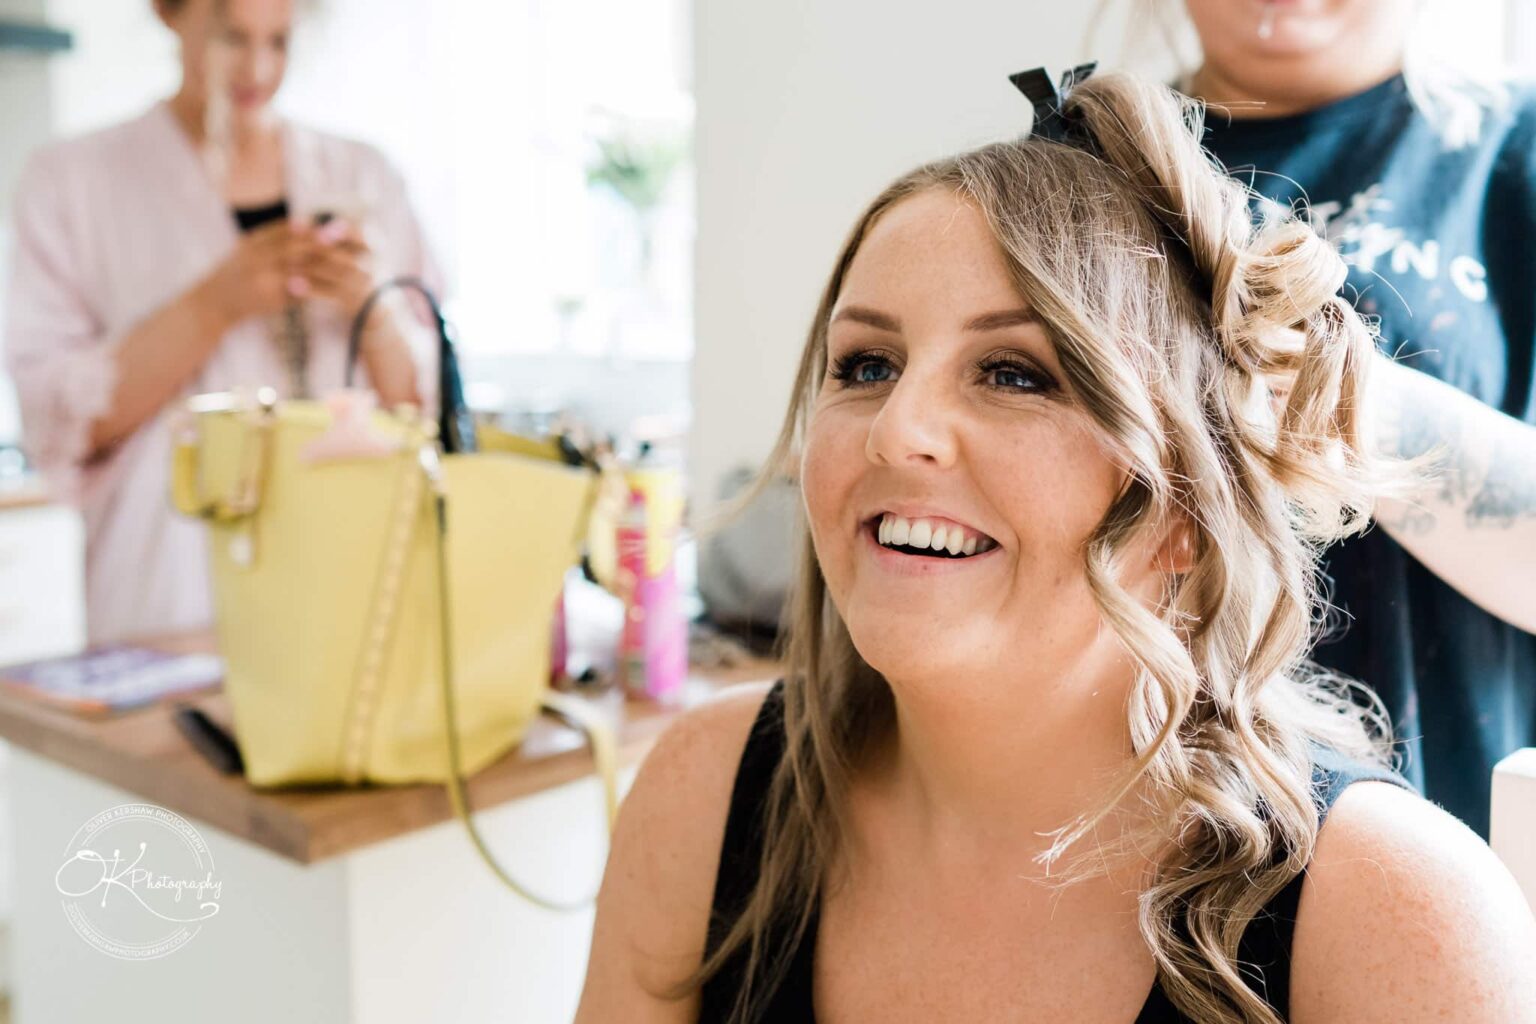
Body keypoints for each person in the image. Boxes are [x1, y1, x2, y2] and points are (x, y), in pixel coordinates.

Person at [574, 72, 1536, 1023]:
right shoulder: (701, 796)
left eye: (1014, 373)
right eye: (866, 364)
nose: (897, 429)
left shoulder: (1396, 916)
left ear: (1188, 509)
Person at [1173, 0, 1536, 838]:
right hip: (1152, 829)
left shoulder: (1510, 149)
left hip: (1458, 828)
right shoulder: (1083, 164)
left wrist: (1329, 394)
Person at [3, 0, 438, 644]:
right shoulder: (70, 182)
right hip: (168, 588)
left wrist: (374, 312)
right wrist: (214, 305)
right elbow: (58, 419)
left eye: (280, 41)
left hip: (350, 578)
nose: (257, 67)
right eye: (230, 38)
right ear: (168, 14)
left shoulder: (361, 175)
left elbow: (425, 415)